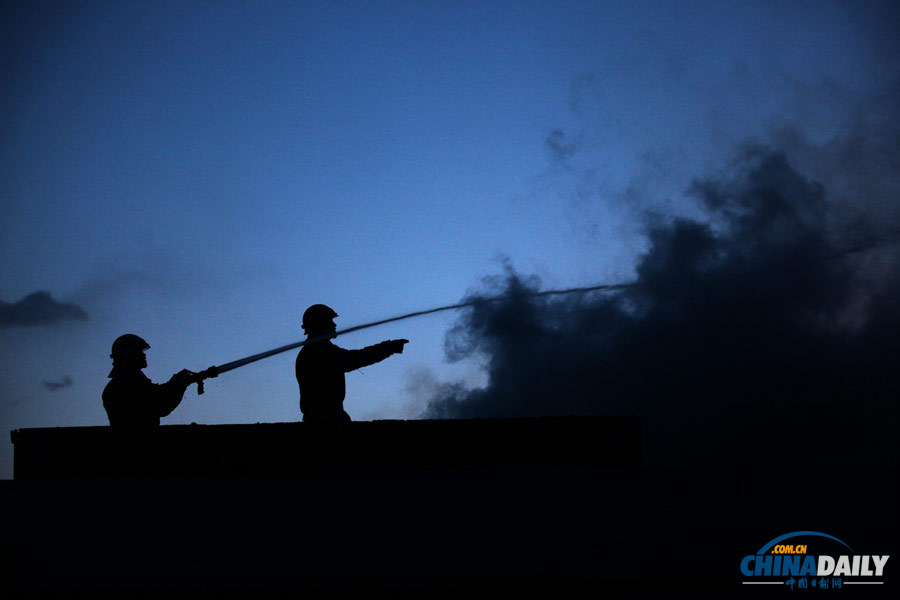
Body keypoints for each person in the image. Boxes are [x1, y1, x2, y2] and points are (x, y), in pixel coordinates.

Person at [295, 304, 407, 423]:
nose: (334, 325)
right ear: (321, 324)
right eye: (330, 321)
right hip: (326, 421)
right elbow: (357, 358)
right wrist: (389, 348)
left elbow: (354, 358)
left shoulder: (311, 351)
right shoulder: (319, 352)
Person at [102, 333, 209, 428]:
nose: (144, 355)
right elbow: (159, 403)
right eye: (139, 351)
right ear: (130, 355)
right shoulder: (124, 384)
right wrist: (179, 383)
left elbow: (155, 395)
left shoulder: (127, 381)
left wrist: (179, 382)